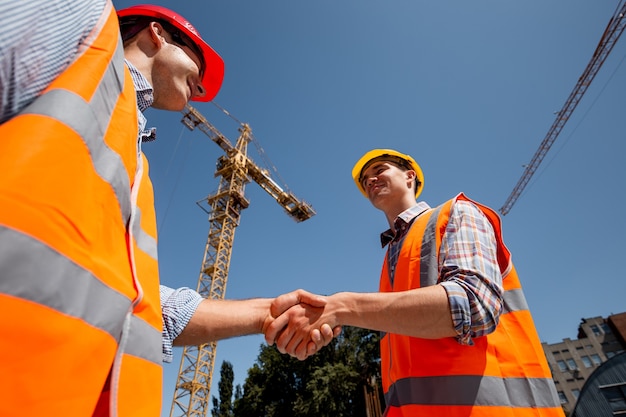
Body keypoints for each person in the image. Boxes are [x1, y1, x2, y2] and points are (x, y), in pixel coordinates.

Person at [0, 2, 331, 415]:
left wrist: (270, 311)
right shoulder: (83, 24)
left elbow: (145, 304)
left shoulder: (132, 163)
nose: (203, 90)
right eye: (199, 64)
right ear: (157, 34)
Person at [266, 149, 565, 416]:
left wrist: (342, 307)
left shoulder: (455, 213)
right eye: (366, 178)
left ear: (409, 177)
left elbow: (474, 306)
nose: (371, 179)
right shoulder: (390, 261)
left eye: (380, 169)